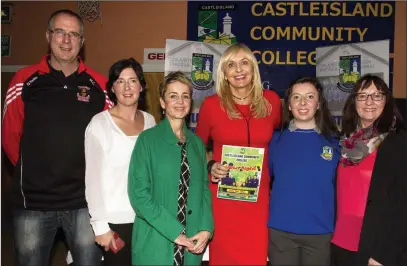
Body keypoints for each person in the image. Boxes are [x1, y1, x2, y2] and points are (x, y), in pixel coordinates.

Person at [1, 9, 111, 266]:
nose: (66, 40)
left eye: (74, 34)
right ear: (48, 36)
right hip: (34, 203)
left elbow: (109, 139)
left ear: (82, 42)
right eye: (60, 32)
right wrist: (37, 171)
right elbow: (10, 136)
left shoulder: (99, 85)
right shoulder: (23, 80)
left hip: (85, 203)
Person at [195, 43, 281, 265]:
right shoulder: (211, 105)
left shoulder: (271, 101)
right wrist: (210, 165)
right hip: (224, 199)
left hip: (259, 199)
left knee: (255, 256)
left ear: (253, 68)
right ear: (224, 73)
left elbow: (281, 140)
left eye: (244, 63)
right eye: (231, 65)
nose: (239, 70)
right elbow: (197, 148)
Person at [128, 71, 214, 265]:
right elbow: (138, 194)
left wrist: (207, 228)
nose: (180, 101)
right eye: (173, 96)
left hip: (192, 243)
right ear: (162, 102)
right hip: (155, 239)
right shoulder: (147, 140)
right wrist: (174, 231)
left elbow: (204, 190)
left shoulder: (197, 144)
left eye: (185, 96)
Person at [84, 58, 156, 266]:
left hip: (148, 218)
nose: (127, 87)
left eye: (132, 81)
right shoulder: (99, 124)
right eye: (120, 81)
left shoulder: (150, 122)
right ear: (112, 88)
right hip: (116, 222)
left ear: (141, 86)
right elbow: (92, 181)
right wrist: (101, 227)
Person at [331, 74, 407, 266]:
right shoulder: (347, 142)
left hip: (375, 248)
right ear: (354, 101)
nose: (369, 102)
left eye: (377, 95)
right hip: (339, 242)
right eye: (363, 96)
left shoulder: (399, 143)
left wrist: (386, 253)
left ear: (387, 101)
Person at [267, 77, 340, 266]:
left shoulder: (335, 143)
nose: (302, 103)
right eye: (296, 97)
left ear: (318, 103)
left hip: (321, 233)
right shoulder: (274, 141)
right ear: (289, 105)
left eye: (309, 97)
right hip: (282, 232)